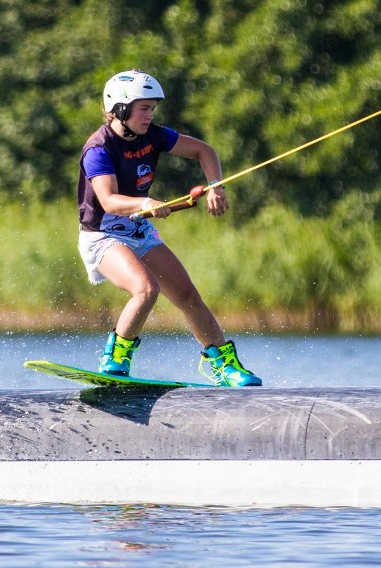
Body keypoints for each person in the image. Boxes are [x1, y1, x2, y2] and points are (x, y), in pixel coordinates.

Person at [76, 69, 262, 387]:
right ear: (121, 108)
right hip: (103, 235)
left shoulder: (155, 136)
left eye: (152, 108)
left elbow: (205, 151)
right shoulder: (99, 149)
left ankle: (223, 365)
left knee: (188, 295)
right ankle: (115, 359)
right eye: (143, 108)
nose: (150, 115)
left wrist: (216, 185)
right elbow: (108, 201)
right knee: (146, 289)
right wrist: (146, 204)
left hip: (138, 231)